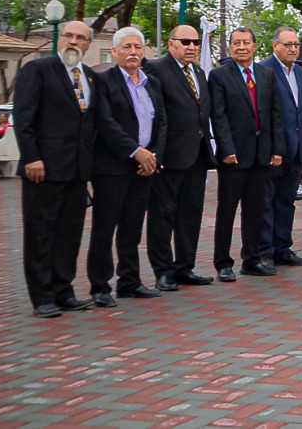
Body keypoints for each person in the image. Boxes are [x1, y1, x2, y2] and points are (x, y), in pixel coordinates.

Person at [13, 19, 100, 317]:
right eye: (68, 36)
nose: (73, 42)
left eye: (80, 38)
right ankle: (42, 297)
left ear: (88, 44)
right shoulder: (37, 70)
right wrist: (31, 158)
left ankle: (64, 290)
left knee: (69, 233)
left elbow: (91, 125)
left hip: (77, 171)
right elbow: (23, 119)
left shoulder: (89, 77)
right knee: (40, 233)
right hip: (43, 168)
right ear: (59, 39)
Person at [87, 26, 165, 307]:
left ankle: (129, 281)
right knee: (104, 228)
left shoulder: (151, 82)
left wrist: (152, 155)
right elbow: (106, 123)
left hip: (144, 168)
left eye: (138, 48)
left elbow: (161, 121)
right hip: (112, 167)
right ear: (115, 51)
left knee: (132, 228)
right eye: (127, 47)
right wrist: (136, 152)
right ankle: (99, 286)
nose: (133, 52)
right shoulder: (103, 81)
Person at [208, 27, 284, 282]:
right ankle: (222, 263)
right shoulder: (219, 76)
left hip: (261, 155)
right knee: (227, 211)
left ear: (255, 46)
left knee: (255, 211)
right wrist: (226, 149)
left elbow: (275, 114)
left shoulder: (266, 74)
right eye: (235, 43)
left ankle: (251, 259)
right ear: (230, 47)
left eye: (246, 42)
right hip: (234, 156)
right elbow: (217, 116)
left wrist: (277, 149)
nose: (241, 47)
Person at [146, 23, 215, 292]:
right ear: (171, 43)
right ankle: (163, 271)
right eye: (185, 42)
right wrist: (156, 153)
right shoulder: (156, 69)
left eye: (195, 42)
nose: (191, 47)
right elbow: (155, 113)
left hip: (196, 156)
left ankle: (185, 266)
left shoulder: (198, 72)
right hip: (168, 156)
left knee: (191, 213)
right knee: (163, 215)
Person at [255, 27, 302, 269]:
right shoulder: (263, 70)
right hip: (272, 150)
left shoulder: (299, 73)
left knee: (287, 200)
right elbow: (264, 113)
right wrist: (272, 147)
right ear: (274, 45)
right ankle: (264, 251)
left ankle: (282, 247)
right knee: (266, 201)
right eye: (287, 44)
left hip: (296, 148)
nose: (292, 49)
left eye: (296, 44)